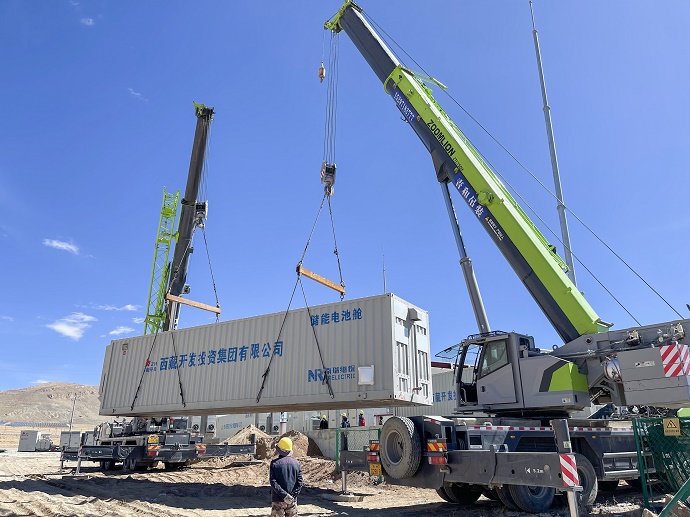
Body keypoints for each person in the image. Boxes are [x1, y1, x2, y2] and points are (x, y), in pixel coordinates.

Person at [269, 437, 303, 517]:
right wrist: (292, 496)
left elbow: (273, 482)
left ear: (279, 449)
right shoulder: (296, 463)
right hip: (292, 501)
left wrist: (284, 495)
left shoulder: (274, 464)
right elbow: (300, 482)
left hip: (278, 500)